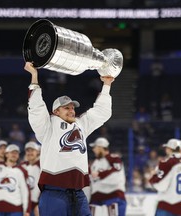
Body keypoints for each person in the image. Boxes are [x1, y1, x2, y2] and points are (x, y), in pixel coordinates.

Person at [24, 62, 114, 216]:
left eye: (73, 107)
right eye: (67, 108)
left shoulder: (81, 124)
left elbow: (102, 112)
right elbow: (37, 109)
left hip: (78, 192)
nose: (72, 110)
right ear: (56, 111)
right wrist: (34, 76)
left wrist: (106, 84)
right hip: (54, 192)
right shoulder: (48, 126)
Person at [149, 138, 181, 216]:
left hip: (166, 205)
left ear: (169, 149)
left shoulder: (165, 163)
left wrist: (152, 177)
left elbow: (161, 186)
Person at [89, 137, 126, 216]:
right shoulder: (95, 163)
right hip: (96, 199)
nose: (93, 150)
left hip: (113, 197)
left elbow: (115, 178)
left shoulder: (114, 159)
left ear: (100, 148)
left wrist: (99, 175)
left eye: (95, 147)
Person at [0, 144, 31, 216]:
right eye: (12, 152)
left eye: (16, 152)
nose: (14, 154)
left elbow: (25, 191)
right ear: (6, 154)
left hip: (15, 208)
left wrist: (26, 210)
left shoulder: (22, 171)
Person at [20, 141, 41, 216]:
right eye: (28, 150)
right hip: (25, 203)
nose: (29, 153)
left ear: (38, 152)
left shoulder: (42, 166)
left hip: (38, 204)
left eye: (32, 150)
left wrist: (38, 203)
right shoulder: (22, 166)